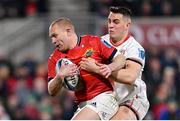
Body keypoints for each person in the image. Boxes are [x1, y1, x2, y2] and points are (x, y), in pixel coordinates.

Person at [47, 17, 126, 120]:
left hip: (104, 99)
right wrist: (59, 76)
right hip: (82, 105)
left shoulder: (94, 42)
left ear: (68, 31)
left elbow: (121, 59)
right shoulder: (55, 58)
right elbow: (51, 91)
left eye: (55, 36)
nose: (53, 41)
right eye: (51, 37)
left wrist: (109, 67)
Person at [80, 6, 150, 120]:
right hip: (107, 98)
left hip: (131, 98)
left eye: (116, 22)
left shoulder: (135, 48)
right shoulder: (100, 42)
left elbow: (130, 77)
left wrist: (97, 69)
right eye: (109, 21)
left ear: (127, 25)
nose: (111, 25)